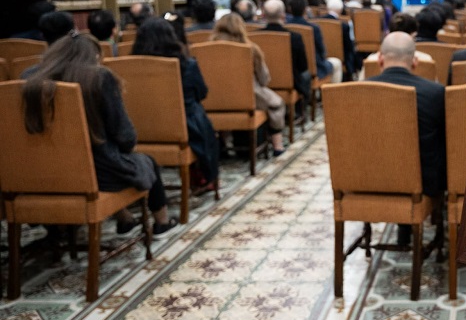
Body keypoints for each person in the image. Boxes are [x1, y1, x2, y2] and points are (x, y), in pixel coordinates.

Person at [20, 33, 177, 238]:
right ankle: (162, 223)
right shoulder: (99, 77)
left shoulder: (28, 77)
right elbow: (125, 137)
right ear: (94, 56)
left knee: (109, 160)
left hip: (39, 173)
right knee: (145, 162)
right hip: (97, 174)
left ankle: (125, 220)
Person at [366, 32, 446, 247]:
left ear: (380, 59)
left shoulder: (353, 94)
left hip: (365, 182)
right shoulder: (436, 93)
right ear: (415, 61)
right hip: (421, 185)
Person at [132, 18, 220, 191]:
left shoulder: (128, 67)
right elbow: (202, 94)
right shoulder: (188, 65)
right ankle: (206, 176)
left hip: (141, 127)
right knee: (204, 125)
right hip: (185, 128)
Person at [210, 13, 286, 154]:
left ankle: (222, 144)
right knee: (277, 104)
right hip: (249, 97)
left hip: (214, 99)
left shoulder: (205, 49)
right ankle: (278, 146)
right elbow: (264, 79)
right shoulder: (251, 49)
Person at [262, 0, 311, 114]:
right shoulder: (294, 37)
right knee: (306, 74)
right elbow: (303, 66)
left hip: (263, 82)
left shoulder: (252, 36)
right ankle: (300, 108)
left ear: (263, 15)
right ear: (283, 15)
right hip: (291, 81)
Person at [287, 0, 341, 84]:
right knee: (337, 63)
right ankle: (332, 94)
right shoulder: (313, 28)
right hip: (315, 67)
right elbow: (322, 51)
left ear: (290, 10)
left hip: (291, 69)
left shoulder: (285, 28)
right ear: (305, 10)